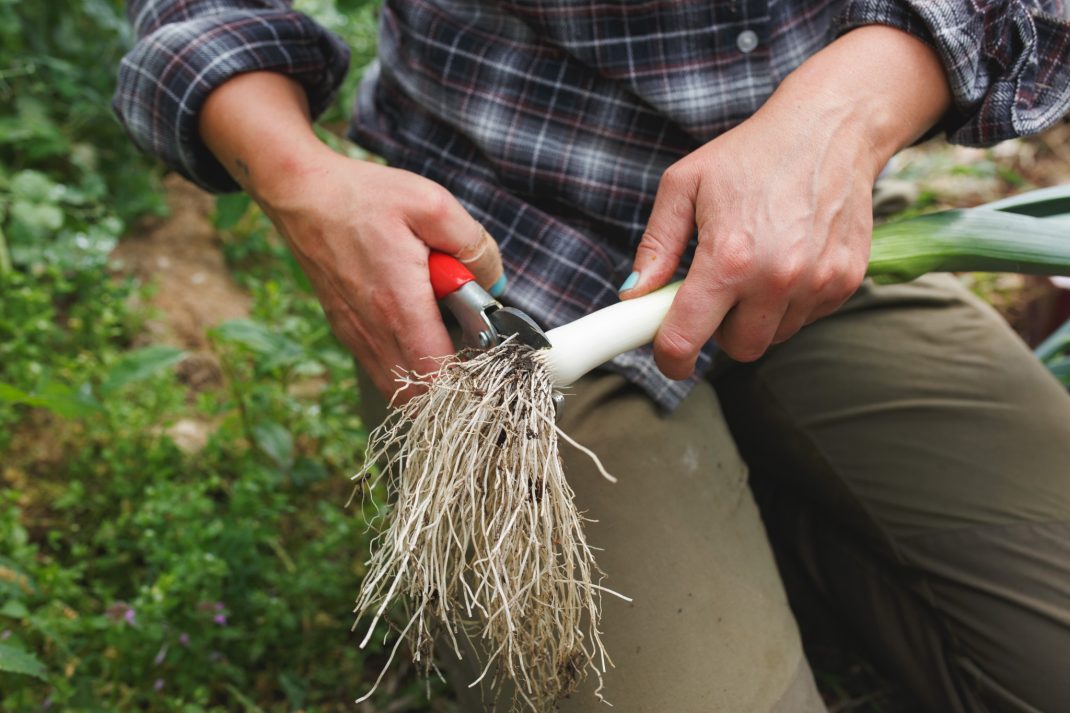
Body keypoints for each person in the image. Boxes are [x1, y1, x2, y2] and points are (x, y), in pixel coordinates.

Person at [115, 1, 1070, 711]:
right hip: (506, 282)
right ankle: (702, 528)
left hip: (803, 250)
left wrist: (844, 113)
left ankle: (764, 513)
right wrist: (298, 174)